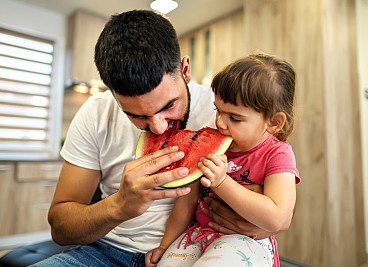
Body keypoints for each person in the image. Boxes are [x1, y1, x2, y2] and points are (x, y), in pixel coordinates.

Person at [32, 10, 275, 267]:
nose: (158, 129)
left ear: (185, 69)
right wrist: (118, 206)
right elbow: (60, 229)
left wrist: (261, 224)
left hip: (196, 251)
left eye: (169, 105)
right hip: (103, 252)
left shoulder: (226, 114)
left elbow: (273, 194)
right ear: (114, 96)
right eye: (136, 116)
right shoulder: (95, 113)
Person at [145, 53, 301, 267]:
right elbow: (186, 203)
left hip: (245, 242)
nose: (220, 123)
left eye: (235, 118)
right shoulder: (213, 143)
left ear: (273, 122)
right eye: (218, 111)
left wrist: (221, 182)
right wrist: (165, 246)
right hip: (196, 235)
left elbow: (279, 218)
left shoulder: (277, 154)